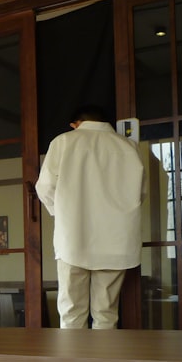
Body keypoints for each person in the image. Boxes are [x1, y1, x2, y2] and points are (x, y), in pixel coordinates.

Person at [35, 105, 146, 329]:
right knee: (106, 313)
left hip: (73, 237)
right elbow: (140, 192)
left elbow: (45, 187)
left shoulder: (64, 141)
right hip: (117, 240)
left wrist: (62, 212)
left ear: (75, 124)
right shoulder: (127, 146)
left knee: (71, 311)